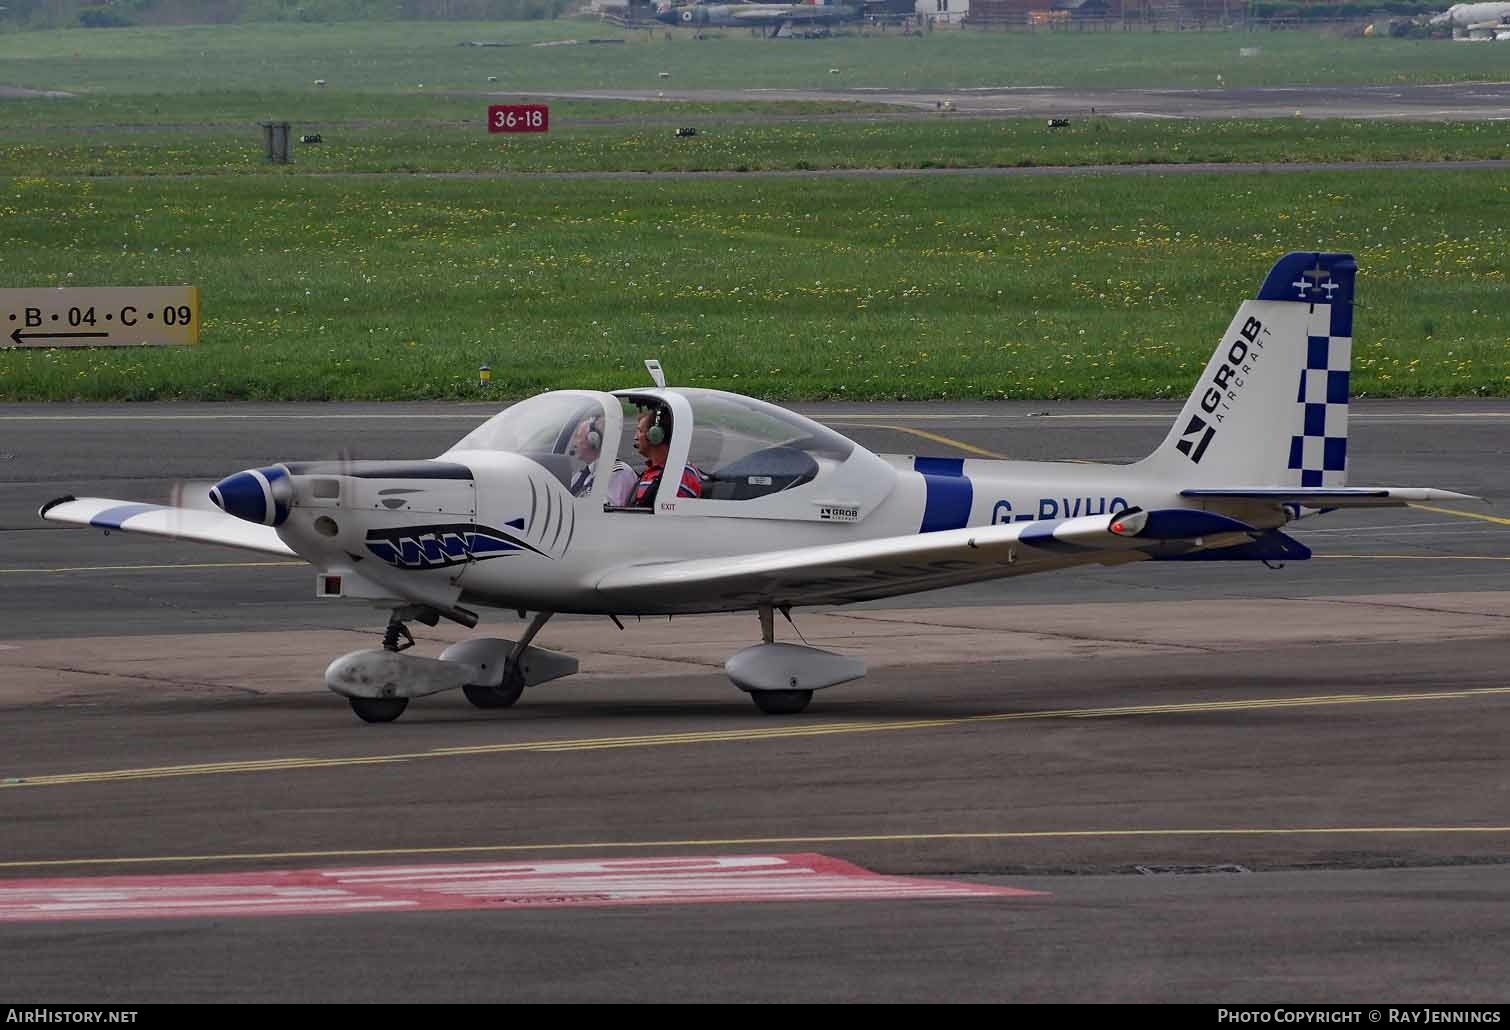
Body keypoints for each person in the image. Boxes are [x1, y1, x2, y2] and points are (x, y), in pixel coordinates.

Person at [628, 405, 702, 509]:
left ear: (655, 436)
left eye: (640, 431)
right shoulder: (654, 472)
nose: (635, 437)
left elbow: (669, 521)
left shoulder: (678, 476)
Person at [568, 414, 637, 506]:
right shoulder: (581, 475)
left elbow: (608, 514)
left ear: (593, 440)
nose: (574, 443)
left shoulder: (618, 473)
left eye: (578, 436)